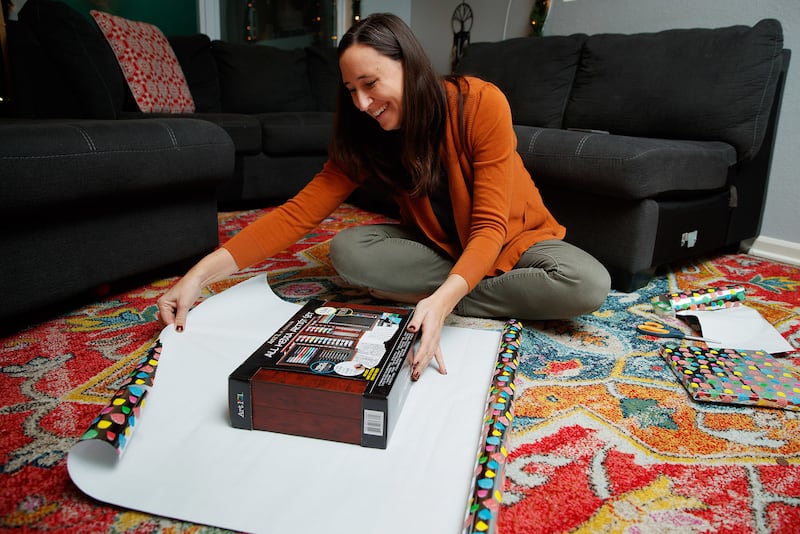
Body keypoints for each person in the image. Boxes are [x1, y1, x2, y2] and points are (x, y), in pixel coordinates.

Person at [157, 13, 611, 381]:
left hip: (517, 239)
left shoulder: (479, 102)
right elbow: (296, 215)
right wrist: (199, 276)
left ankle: (438, 295)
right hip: (441, 248)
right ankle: (449, 289)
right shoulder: (366, 135)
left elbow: (490, 227)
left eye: (370, 84)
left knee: (587, 282)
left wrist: (442, 299)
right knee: (347, 250)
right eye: (351, 90)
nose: (361, 103)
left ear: (408, 65)